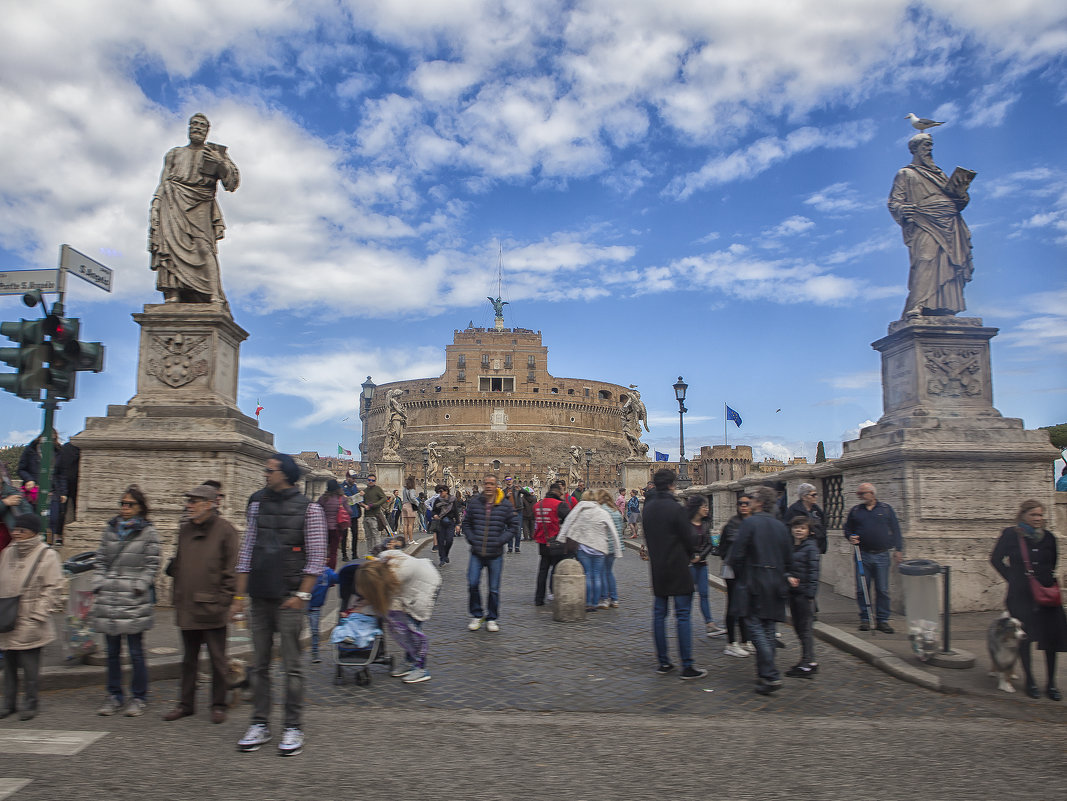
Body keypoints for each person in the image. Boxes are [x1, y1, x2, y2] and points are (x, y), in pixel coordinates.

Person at [232, 453, 327, 757]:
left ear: (284, 474)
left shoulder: (310, 509)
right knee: (259, 664)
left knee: (291, 666)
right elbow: (246, 551)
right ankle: (260, 722)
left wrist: (301, 596)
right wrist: (238, 597)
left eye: (269, 471)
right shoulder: (257, 505)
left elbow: (315, 558)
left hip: (288, 597)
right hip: (260, 596)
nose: (265, 474)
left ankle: (292, 726)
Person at [162, 483, 239, 724]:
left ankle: (218, 703)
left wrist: (225, 600)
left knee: (217, 659)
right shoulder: (184, 529)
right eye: (189, 501)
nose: (189, 505)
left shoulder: (226, 530)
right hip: (188, 604)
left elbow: (231, 571)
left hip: (213, 604)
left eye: (194, 501)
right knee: (188, 659)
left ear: (209, 504)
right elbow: (180, 560)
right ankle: (185, 704)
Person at [149, 113, 239, 304]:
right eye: (194, 124)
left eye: (202, 125)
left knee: (204, 247)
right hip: (172, 201)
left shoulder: (216, 153)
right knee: (170, 247)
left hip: (201, 204)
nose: (197, 128)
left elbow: (231, 183)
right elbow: (163, 181)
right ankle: (173, 292)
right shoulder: (174, 154)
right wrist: (156, 203)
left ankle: (214, 294)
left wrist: (219, 163)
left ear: (207, 131)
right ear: (189, 128)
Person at [91, 485, 161, 717]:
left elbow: (152, 563)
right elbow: (100, 558)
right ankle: (114, 695)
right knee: (111, 652)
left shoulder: (148, 532)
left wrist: (139, 585)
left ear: (140, 508)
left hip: (132, 598)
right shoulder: (110, 529)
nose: (125, 508)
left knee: (135, 651)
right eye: (122, 503)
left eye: (129, 504)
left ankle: (138, 696)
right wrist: (99, 580)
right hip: (110, 596)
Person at [888, 132, 973, 319]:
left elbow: (958, 202)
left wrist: (962, 193)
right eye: (926, 145)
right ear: (915, 149)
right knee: (925, 260)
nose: (930, 149)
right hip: (924, 221)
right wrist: (902, 209)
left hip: (948, 223)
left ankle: (945, 306)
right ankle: (917, 305)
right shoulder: (906, 174)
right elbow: (894, 202)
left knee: (947, 263)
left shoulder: (941, 175)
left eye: (931, 145)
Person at [990, 500, 1066, 700]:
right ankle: (1030, 680)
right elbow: (996, 559)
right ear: (1023, 515)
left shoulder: (1049, 538)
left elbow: (1053, 563)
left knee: (1051, 640)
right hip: (1021, 596)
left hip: (1047, 596)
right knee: (1024, 639)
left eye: (1040, 515)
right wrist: (1013, 578)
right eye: (1033, 515)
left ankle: (1051, 684)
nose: (1038, 519)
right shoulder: (1011, 535)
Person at [727, 486, 796, 695]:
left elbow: (736, 555)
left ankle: (771, 674)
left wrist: (743, 572)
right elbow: (789, 557)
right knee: (767, 628)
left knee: (754, 626)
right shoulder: (781, 526)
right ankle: (764, 675)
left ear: (760, 502)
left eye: (753, 499)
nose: (749, 502)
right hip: (776, 581)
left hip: (754, 580)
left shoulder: (750, 523)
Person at [643, 469, 707, 680]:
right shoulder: (676, 508)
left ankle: (663, 662)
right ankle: (687, 665)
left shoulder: (649, 509)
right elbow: (688, 537)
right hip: (678, 567)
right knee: (682, 615)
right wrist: (692, 554)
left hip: (658, 567)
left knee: (659, 615)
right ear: (672, 485)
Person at [0, 512, 62, 720]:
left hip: (31, 617)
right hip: (8, 616)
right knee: (8, 665)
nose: (16, 533)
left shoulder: (47, 555)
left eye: (22, 530)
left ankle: (30, 702)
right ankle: (9, 703)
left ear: (33, 533)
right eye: (15, 529)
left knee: (29, 668)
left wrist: (39, 613)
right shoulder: (9, 552)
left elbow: (53, 587)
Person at [362, 547, 442, 684]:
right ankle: (410, 661)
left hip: (425, 587)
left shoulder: (395, 573)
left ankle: (421, 668)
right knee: (406, 627)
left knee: (413, 629)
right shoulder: (384, 560)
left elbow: (390, 599)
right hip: (414, 585)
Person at [843, 482, 903, 633]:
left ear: (872, 493)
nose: (860, 496)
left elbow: (895, 529)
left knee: (882, 589)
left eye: (862, 493)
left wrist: (898, 549)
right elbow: (847, 528)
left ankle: (882, 619)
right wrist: (850, 536)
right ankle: (865, 617)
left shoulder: (885, 509)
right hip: (862, 554)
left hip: (882, 554)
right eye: (858, 494)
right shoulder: (856, 511)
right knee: (862, 587)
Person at [461, 474, 518, 632]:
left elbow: (514, 526)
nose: (488, 486)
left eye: (491, 484)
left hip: (496, 553)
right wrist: (472, 539)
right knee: (472, 583)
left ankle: (492, 618)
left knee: (494, 588)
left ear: (496, 486)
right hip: (476, 552)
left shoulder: (504, 505)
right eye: (486, 483)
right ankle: (477, 615)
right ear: (482, 485)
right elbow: (466, 523)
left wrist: (501, 540)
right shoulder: (474, 503)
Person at [559, 491, 612, 613]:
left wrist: (562, 537)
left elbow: (569, 523)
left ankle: (588, 602)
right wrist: (617, 549)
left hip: (584, 547)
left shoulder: (580, 510)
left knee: (587, 574)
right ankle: (595, 602)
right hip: (599, 548)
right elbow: (612, 529)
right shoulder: (602, 511)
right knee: (597, 575)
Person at [718, 494, 753, 657]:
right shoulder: (732, 524)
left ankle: (746, 640)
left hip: (749, 570)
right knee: (733, 606)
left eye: (747, 503)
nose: (744, 506)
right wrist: (730, 560)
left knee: (747, 606)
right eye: (741, 503)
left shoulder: (754, 522)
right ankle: (732, 642)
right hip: (733, 570)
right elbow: (722, 548)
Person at [785, 516, 820, 678]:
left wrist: (810, 594)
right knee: (799, 628)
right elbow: (786, 566)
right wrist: (788, 576)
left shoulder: (811, 548)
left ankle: (807, 663)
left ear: (809, 531)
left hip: (804, 595)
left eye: (802, 528)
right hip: (794, 593)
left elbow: (814, 572)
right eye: (796, 527)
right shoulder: (792, 547)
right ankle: (809, 660)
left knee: (804, 629)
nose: (799, 530)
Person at [685, 495, 724, 637]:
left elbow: (709, 543)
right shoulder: (686, 525)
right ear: (696, 508)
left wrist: (700, 556)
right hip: (689, 565)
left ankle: (710, 623)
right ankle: (685, 622)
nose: (707, 509)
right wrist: (692, 556)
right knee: (688, 595)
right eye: (704, 506)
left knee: (704, 594)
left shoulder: (706, 524)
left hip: (702, 564)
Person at [533, 482, 570, 606]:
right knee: (557, 569)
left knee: (543, 570)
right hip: (557, 542)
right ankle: (555, 593)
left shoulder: (537, 505)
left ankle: (539, 598)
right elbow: (569, 520)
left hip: (542, 542)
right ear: (559, 493)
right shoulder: (560, 505)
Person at [596, 489, 625, 609]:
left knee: (602, 572)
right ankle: (614, 599)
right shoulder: (616, 511)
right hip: (615, 546)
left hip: (604, 545)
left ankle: (604, 599)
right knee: (609, 572)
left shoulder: (601, 510)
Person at [307, 565, 339, 665]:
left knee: (315, 630)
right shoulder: (306, 569)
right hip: (301, 603)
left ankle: (315, 653)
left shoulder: (327, 573)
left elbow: (338, 578)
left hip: (315, 606)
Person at [785, 483, 827, 555]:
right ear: (804, 497)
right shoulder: (794, 510)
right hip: (800, 548)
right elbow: (788, 528)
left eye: (816, 494)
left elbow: (823, 525)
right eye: (813, 495)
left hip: (816, 546)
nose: (816, 497)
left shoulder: (817, 510)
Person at [316, 479, 345, 570]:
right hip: (336, 529)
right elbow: (349, 511)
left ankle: (322, 570)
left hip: (323, 529)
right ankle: (330, 572)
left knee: (323, 551)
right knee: (333, 552)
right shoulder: (341, 499)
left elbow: (316, 509)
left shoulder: (323, 498)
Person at [429, 485, 460, 567]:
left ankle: (445, 554)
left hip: (450, 522)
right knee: (441, 541)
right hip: (440, 522)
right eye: (439, 492)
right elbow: (433, 511)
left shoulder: (453, 500)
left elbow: (456, 512)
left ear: (446, 491)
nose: (440, 493)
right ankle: (442, 558)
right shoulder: (437, 500)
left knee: (449, 540)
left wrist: (458, 524)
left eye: (441, 491)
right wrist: (435, 515)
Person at [361, 474, 389, 553]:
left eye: (372, 480)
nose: (370, 482)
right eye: (369, 480)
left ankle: (379, 552)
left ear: (375, 481)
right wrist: (363, 503)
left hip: (374, 515)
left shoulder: (377, 489)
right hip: (366, 516)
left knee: (376, 535)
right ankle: (370, 552)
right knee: (368, 536)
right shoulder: (365, 490)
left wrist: (375, 504)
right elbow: (360, 501)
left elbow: (384, 498)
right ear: (367, 480)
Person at [340, 471, 362, 561]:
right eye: (352, 478)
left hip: (354, 514)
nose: (354, 480)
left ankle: (354, 553)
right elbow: (343, 500)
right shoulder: (341, 487)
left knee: (355, 534)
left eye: (355, 478)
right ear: (347, 477)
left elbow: (356, 500)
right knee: (344, 535)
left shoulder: (355, 486)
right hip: (345, 514)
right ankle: (344, 555)